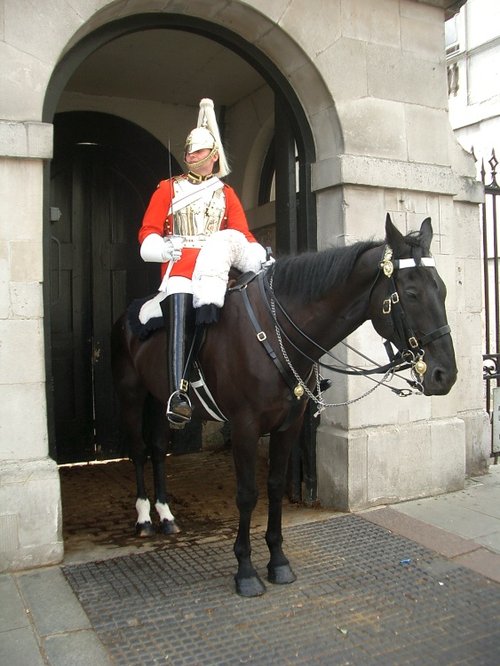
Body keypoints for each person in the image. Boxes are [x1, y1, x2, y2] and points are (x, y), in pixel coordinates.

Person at [138, 98, 267, 429]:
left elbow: (242, 234)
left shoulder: (226, 194)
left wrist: (257, 255)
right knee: (181, 299)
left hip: (218, 268)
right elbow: (148, 232)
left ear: (214, 158)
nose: (192, 157)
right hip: (180, 267)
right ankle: (178, 391)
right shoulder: (168, 188)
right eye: (190, 152)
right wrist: (163, 248)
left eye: (199, 153)